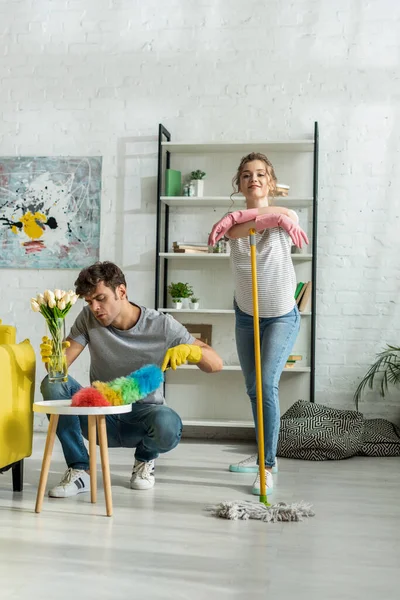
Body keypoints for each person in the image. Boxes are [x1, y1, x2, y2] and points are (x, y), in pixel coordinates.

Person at [40, 261, 223, 498]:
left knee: (168, 424)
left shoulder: (162, 324)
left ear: (121, 292)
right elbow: (60, 368)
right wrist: (53, 355)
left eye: (100, 298)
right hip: (100, 413)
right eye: (89, 302)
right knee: (52, 383)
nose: (95, 307)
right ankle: (79, 468)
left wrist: (193, 352)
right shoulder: (88, 318)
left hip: (143, 416)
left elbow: (216, 364)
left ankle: (144, 460)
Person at [208, 152, 308, 496]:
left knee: (266, 386)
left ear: (272, 183)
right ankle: (264, 454)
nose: (254, 180)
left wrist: (254, 215)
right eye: (247, 175)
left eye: (261, 174)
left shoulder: (288, 215)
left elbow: (281, 216)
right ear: (239, 183)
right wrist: (240, 217)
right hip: (246, 315)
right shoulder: (231, 224)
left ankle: (267, 466)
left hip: (281, 315)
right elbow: (240, 228)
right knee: (253, 390)